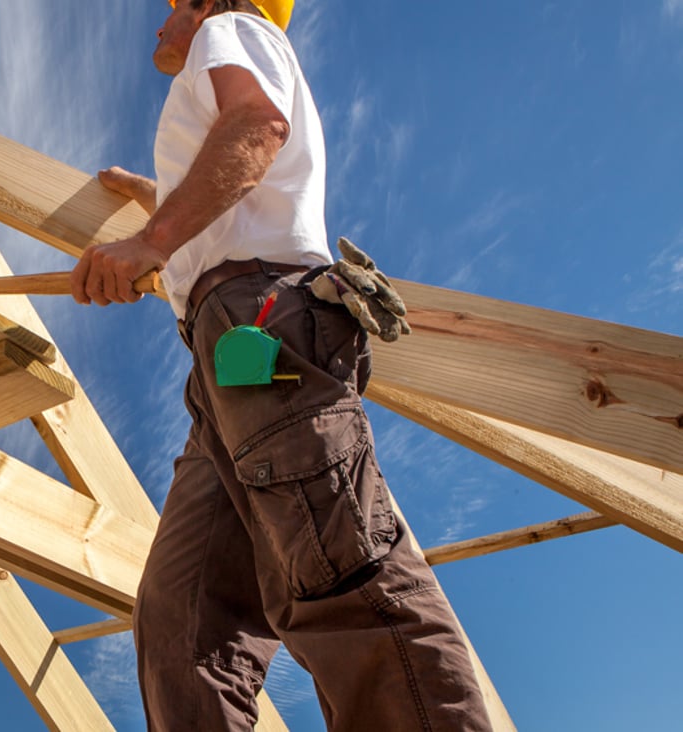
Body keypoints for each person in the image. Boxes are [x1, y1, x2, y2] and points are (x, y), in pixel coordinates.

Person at [69, 1, 492, 729]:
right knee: (184, 623)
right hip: (225, 365)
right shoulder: (218, 60)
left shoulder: (230, 31)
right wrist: (158, 204)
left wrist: (152, 240)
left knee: (342, 578)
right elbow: (240, 171)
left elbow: (258, 127)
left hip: (262, 327)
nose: (165, 19)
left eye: (175, 5)